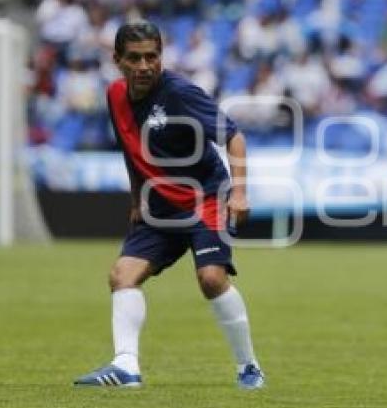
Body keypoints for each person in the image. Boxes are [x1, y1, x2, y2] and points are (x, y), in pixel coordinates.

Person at [74, 21, 264, 389]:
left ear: (161, 56)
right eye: (134, 58)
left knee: (211, 279)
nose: (144, 65)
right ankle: (126, 367)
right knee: (122, 276)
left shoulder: (180, 93)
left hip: (205, 198)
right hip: (159, 206)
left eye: (152, 56)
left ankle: (249, 367)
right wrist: (135, 198)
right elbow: (131, 149)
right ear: (117, 61)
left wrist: (239, 193)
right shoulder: (115, 96)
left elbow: (234, 137)